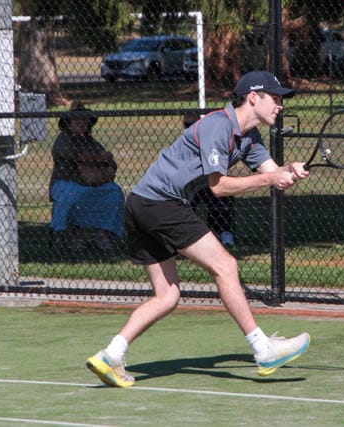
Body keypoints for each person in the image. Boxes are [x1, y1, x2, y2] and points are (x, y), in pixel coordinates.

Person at [86, 71, 310, 388]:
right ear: (253, 98)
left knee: (167, 296)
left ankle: (111, 355)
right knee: (225, 265)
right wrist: (271, 178)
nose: (280, 105)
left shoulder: (250, 137)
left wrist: (290, 171)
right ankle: (263, 349)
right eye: (275, 98)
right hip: (160, 203)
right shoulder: (218, 125)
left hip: (142, 203)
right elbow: (218, 187)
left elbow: (273, 173)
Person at [50, 102, 125, 251]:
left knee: (114, 191)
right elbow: (76, 156)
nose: (82, 123)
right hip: (66, 183)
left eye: (85, 120)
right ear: (69, 123)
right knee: (74, 193)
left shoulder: (90, 141)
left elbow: (112, 164)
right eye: (77, 120)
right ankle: (76, 236)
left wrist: (103, 162)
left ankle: (103, 234)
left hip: (93, 183)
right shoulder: (63, 140)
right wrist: (100, 159)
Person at [183, 112, 236, 248]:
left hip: (209, 183)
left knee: (223, 197)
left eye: (192, 125)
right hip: (190, 185)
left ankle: (223, 231)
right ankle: (187, 234)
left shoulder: (210, 139)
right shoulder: (184, 142)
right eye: (187, 126)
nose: (190, 128)